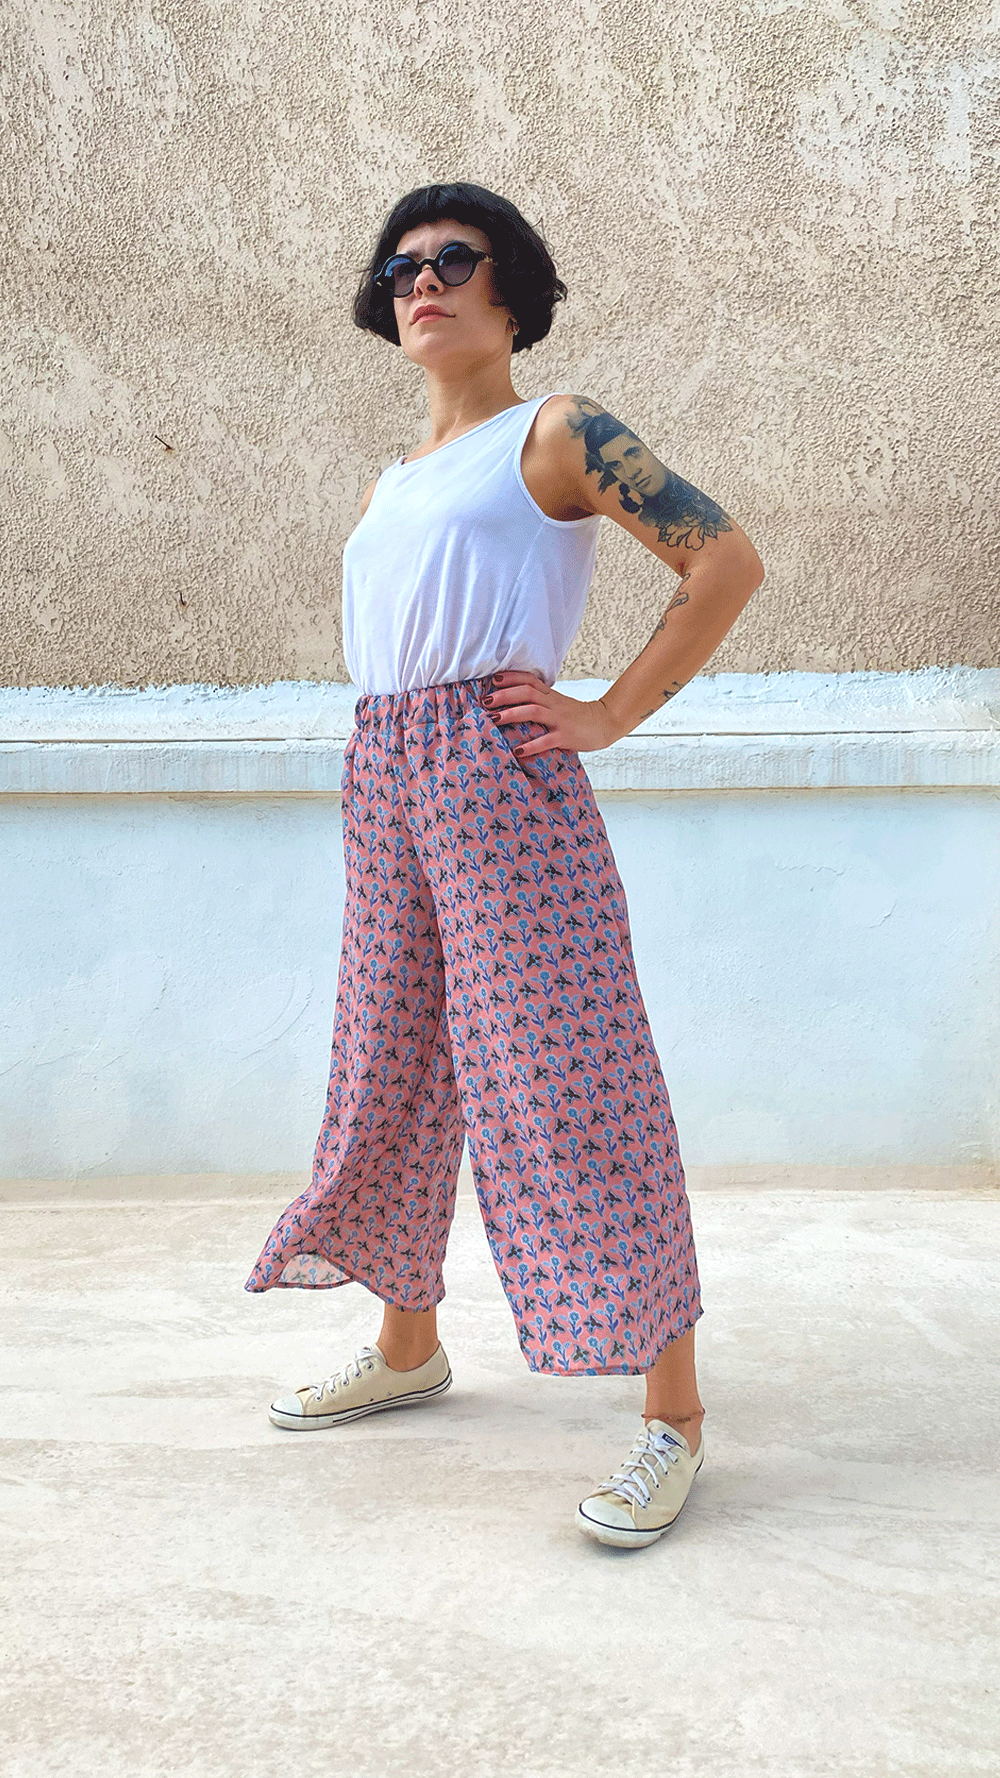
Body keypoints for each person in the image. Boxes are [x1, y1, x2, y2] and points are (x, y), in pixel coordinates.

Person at [245, 181, 763, 1550]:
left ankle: (674, 1416)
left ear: (511, 289)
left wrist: (606, 714)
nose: (423, 280)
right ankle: (408, 1344)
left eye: (454, 258)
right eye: (401, 266)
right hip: (384, 769)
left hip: (495, 767)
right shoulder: (395, 479)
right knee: (391, 1061)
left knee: (570, 1078)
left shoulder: (559, 433)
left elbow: (723, 562)